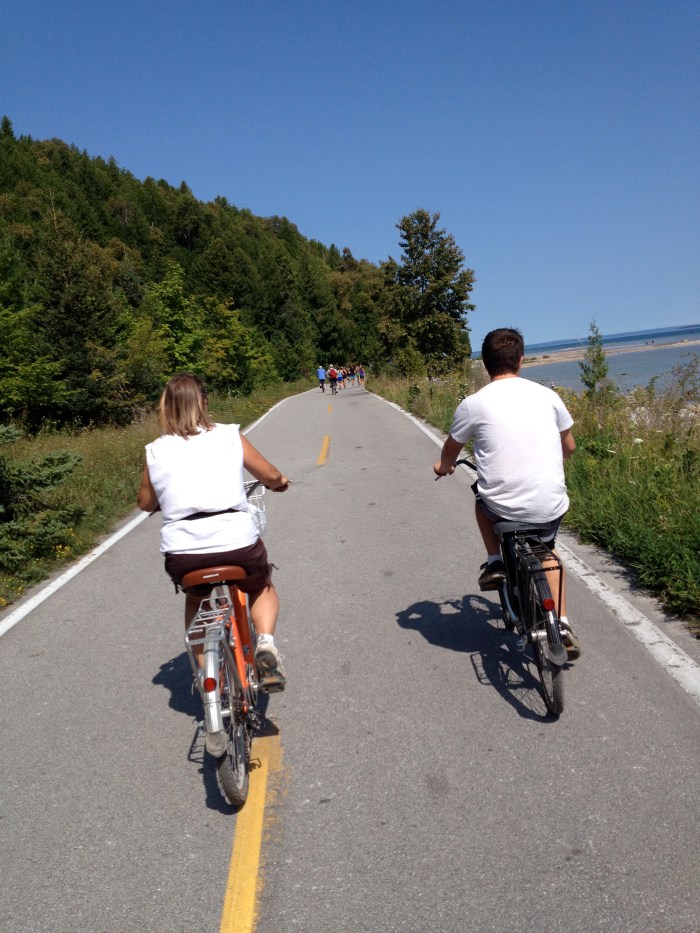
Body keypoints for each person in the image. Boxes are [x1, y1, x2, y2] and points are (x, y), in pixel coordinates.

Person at [433, 328, 581, 659]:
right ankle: (563, 622)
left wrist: (443, 467)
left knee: (480, 501)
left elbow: (449, 451)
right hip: (549, 505)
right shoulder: (548, 397)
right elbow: (568, 448)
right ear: (521, 360)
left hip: (501, 510)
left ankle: (495, 560)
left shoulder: (473, 404)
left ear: (485, 365)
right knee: (546, 554)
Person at [137, 373, 290, 687]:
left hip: (184, 553)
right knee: (261, 585)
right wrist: (280, 483)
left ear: (165, 409)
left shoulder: (155, 450)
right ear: (204, 404)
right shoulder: (228, 435)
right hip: (236, 543)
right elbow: (270, 474)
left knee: (197, 597)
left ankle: (208, 674)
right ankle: (264, 644)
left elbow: (144, 503)